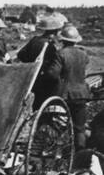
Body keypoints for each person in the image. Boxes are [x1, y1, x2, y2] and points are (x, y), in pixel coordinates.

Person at [18, 12, 65, 109]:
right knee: (42, 105)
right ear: (55, 31)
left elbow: (20, 55)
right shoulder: (50, 46)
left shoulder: (34, 40)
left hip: (30, 77)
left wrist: (31, 62)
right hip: (43, 81)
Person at [57, 25, 91, 154]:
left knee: (58, 125)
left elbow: (52, 74)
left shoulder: (61, 53)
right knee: (80, 127)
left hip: (65, 95)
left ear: (63, 40)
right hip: (81, 94)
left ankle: (57, 153)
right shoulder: (83, 54)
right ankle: (79, 155)